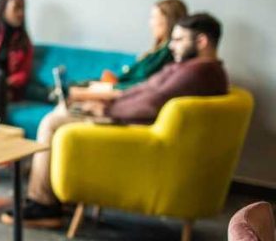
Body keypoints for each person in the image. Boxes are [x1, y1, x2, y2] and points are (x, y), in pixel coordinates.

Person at [21, 13, 229, 224]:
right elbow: (144, 91)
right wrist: (105, 104)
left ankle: (43, 204)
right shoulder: (194, 69)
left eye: (178, 40)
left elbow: (153, 101)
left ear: (201, 41)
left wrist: (106, 111)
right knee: (64, 111)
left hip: (136, 130)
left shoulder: (198, 72)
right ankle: (54, 197)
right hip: (132, 121)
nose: (171, 46)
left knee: (52, 122)